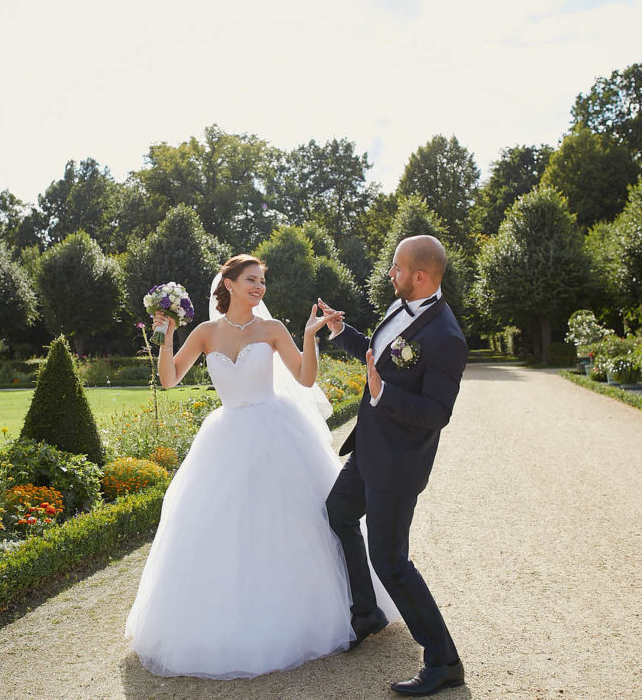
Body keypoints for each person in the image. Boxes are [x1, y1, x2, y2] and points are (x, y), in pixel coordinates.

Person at [125, 254, 398, 679]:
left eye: (262, 281)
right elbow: (169, 379)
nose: (259, 287)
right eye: (251, 280)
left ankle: (329, 608)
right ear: (229, 284)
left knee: (292, 521)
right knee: (224, 525)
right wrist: (166, 335)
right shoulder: (203, 333)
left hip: (277, 432)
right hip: (227, 435)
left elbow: (305, 379)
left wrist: (309, 336)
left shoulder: (271, 330)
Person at [318, 235, 469, 697]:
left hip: (398, 465)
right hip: (369, 451)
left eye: (397, 268)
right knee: (339, 511)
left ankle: (444, 660)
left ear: (420, 277)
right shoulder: (398, 307)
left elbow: (436, 412)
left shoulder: (446, 337)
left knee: (392, 561)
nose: (390, 274)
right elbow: (378, 360)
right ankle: (366, 611)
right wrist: (342, 332)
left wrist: (384, 395)